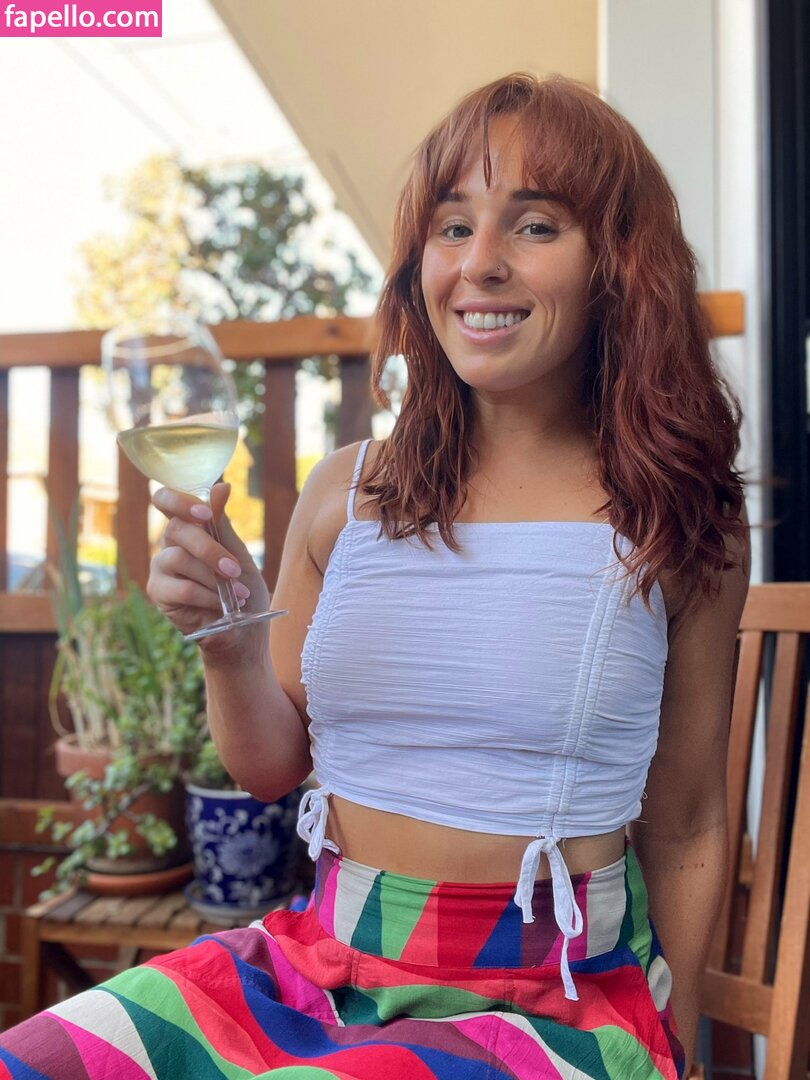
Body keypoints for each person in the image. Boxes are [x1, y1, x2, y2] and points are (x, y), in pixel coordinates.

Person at [0, 72, 750, 1080]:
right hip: (319, 967)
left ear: (617, 263)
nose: (479, 263)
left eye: (534, 225)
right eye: (452, 227)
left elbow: (692, 817)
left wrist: (681, 1036)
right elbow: (272, 767)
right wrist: (228, 643)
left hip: (555, 1001)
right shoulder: (346, 494)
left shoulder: (678, 513)